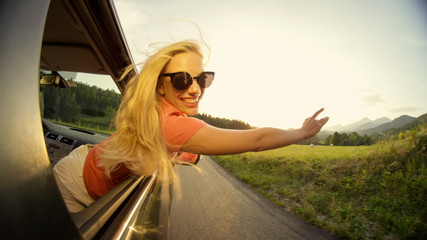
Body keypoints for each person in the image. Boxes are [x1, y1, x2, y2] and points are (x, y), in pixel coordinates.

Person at [53, 40, 329, 213]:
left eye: (202, 78)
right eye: (183, 79)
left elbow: (169, 145)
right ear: (160, 83)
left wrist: (184, 154)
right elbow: (257, 140)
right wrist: (302, 133)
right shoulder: (171, 125)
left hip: (82, 163)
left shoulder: (156, 112)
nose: (195, 88)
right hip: (76, 186)